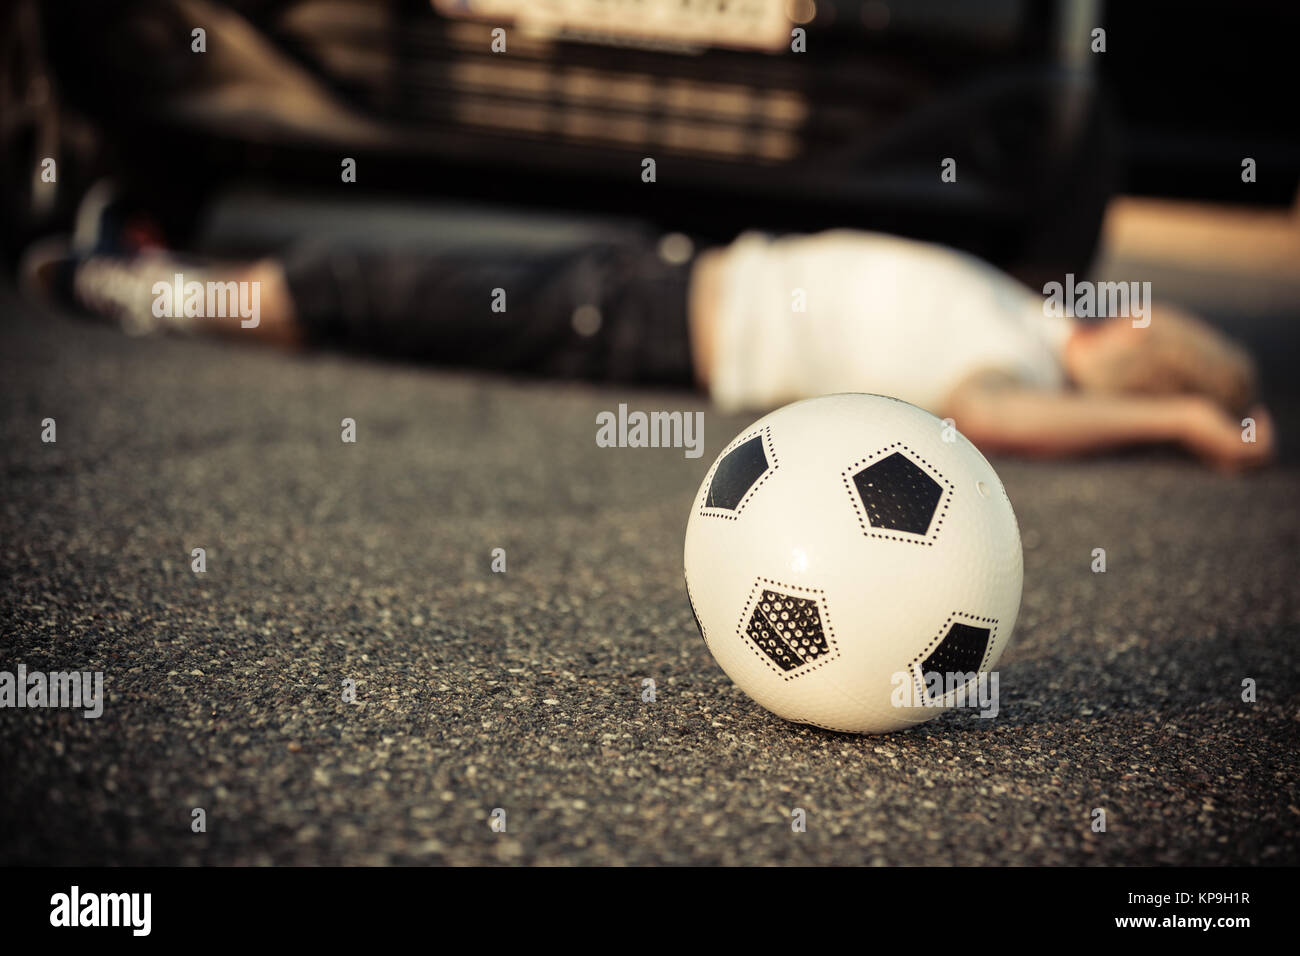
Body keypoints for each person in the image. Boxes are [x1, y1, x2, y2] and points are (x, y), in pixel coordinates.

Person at [20, 187, 1275, 471]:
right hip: (657, 276)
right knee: (392, 286)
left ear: (1129, 351)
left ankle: (159, 295)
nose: (1117, 310)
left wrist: (1175, 417)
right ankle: (176, 282)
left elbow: (991, 420)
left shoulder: (1009, 363)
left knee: (380, 289)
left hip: (650, 332)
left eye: (1142, 325)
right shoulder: (1017, 303)